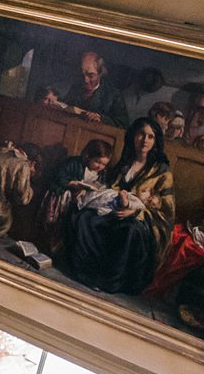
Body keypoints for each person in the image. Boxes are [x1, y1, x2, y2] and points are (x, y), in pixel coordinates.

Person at [62, 116, 175, 295]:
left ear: (156, 141)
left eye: (150, 136)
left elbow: (166, 212)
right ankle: (85, 272)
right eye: (141, 134)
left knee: (129, 230)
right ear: (132, 136)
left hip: (139, 222)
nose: (145, 140)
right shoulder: (125, 162)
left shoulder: (162, 172)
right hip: (113, 211)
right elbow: (108, 187)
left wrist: (135, 212)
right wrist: (89, 191)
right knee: (84, 218)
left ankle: (110, 281)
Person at [42, 49, 133, 128]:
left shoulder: (113, 95)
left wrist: (101, 119)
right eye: (82, 75)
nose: (85, 80)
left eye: (90, 75)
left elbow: (123, 124)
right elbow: (67, 107)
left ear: (100, 73)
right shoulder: (76, 88)